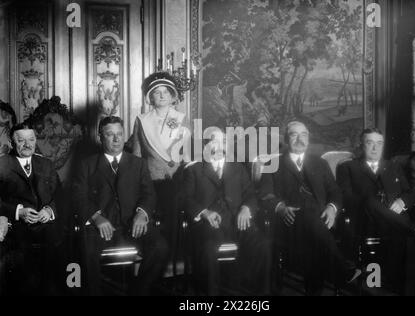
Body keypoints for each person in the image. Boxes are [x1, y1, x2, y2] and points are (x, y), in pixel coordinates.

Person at [259, 121, 360, 295]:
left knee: (314, 228)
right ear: (285, 139)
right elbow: (265, 195)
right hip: (288, 223)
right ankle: (343, 270)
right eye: (294, 135)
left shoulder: (319, 163)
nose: (300, 139)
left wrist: (331, 208)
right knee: (308, 215)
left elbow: (335, 191)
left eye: (304, 134)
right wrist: (281, 208)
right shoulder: (272, 163)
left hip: (321, 221)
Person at [72, 116, 169, 296]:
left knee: (160, 246)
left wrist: (142, 214)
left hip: (132, 226)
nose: (116, 139)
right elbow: (79, 196)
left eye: (120, 134)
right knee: (85, 251)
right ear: (101, 137)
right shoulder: (86, 165)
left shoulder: (138, 164)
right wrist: (96, 217)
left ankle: (138, 291)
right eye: (110, 134)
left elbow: (149, 194)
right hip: (100, 228)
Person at [184, 129, 271, 296]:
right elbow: (185, 198)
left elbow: (251, 194)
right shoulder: (194, 169)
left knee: (263, 245)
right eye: (213, 141)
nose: (219, 146)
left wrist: (246, 208)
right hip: (209, 224)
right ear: (206, 145)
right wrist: (204, 212)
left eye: (223, 141)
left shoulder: (237, 168)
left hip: (238, 221)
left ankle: (262, 297)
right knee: (208, 249)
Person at [336, 128, 415, 295]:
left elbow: (411, 192)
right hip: (365, 221)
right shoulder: (348, 167)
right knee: (369, 201)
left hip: (394, 222)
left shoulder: (393, 166)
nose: (375, 148)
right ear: (361, 145)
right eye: (370, 143)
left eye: (379, 143)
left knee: (408, 244)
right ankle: (414, 229)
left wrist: (402, 201)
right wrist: (370, 205)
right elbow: (345, 197)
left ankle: (405, 291)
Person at [128, 72, 190, 256]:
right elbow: (137, 155)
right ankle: (158, 257)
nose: (162, 95)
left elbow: (186, 154)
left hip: (176, 178)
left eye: (165, 92)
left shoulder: (180, 118)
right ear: (150, 97)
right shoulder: (142, 120)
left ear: (172, 96)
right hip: (151, 180)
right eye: (157, 92)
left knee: (176, 213)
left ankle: (175, 257)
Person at [0, 122, 61, 295]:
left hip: (47, 227)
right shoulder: (2, 164)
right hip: (16, 229)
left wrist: (49, 211)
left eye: (31, 140)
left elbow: (61, 196)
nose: (27, 145)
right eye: (21, 141)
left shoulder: (46, 164)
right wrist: (18, 212)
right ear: (12, 144)